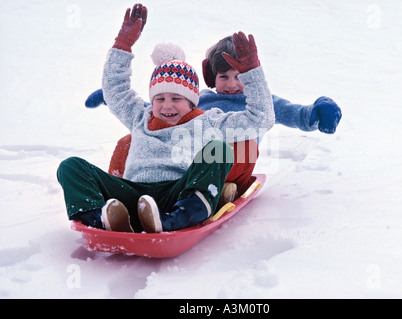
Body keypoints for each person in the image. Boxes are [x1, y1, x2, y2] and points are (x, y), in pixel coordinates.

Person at [57, 4, 274, 233]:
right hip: (133, 192)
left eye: (176, 98)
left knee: (219, 150)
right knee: (71, 167)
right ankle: (99, 218)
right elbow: (115, 90)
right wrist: (122, 46)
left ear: (192, 101)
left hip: (178, 192)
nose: (167, 105)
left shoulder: (207, 122)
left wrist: (252, 71)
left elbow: (261, 119)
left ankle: (177, 218)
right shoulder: (140, 117)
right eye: (159, 98)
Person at [85, 37, 342, 199]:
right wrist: (113, 97)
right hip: (187, 162)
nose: (232, 85)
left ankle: (215, 192)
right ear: (211, 76)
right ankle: (120, 192)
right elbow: (161, 112)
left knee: (243, 144)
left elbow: (292, 113)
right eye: (224, 77)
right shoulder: (200, 99)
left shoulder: (259, 100)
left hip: (230, 164)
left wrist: (314, 114)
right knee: (130, 140)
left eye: (239, 77)